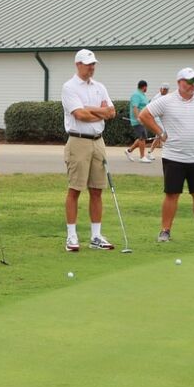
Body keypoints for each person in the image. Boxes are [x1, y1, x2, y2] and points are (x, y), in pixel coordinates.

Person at [138, 68, 194, 242]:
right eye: (189, 81)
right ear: (179, 82)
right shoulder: (166, 101)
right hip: (174, 157)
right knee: (172, 194)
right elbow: (144, 115)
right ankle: (165, 231)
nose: (192, 85)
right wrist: (160, 132)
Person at [60, 48, 118, 252]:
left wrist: (94, 110)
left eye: (93, 64)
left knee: (97, 190)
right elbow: (80, 115)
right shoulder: (69, 87)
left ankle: (95, 236)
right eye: (88, 64)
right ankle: (72, 236)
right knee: (75, 189)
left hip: (98, 141)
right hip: (78, 141)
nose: (91, 67)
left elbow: (111, 112)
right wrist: (99, 111)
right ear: (78, 65)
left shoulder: (99, 87)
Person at [125, 80, 154, 162]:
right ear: (144, 87)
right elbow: (135, 107)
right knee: (142, 137)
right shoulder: (136, 95)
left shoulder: (142, 95)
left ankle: (129, 151)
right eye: (146, 87)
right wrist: (138, 118)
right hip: (138, 120)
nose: (146, 89)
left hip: (143, 119)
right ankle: (142, 157)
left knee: (142, 137)